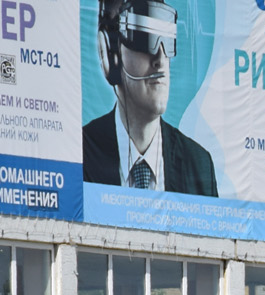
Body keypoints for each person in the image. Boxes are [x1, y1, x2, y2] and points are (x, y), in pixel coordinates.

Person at [83, 0, 218, 196]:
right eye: (144, 37)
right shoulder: (81, 153)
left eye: (167, 39)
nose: (160, 59)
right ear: (109, 53)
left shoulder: (198, 165)